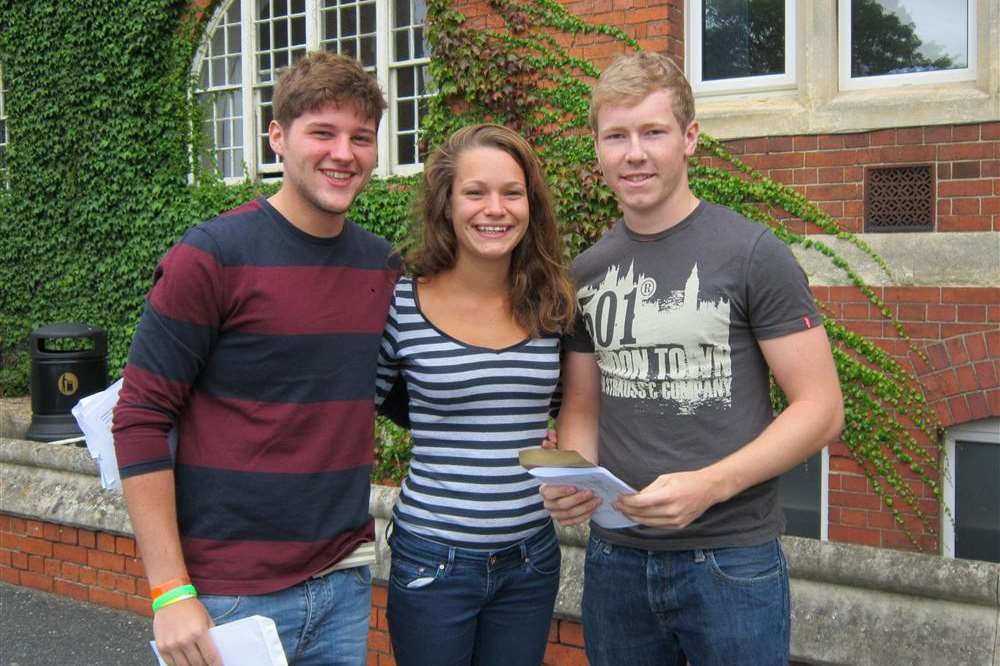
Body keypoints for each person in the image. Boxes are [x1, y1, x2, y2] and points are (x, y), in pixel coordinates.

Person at [540, 52, 844, 666]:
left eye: (653, 132)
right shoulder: (587, 272)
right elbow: (583, 405)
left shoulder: (753, 253)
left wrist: (710, 486)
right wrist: (573, 479)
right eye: (616, 136)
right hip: (616, 560)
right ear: (597, 150)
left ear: (689, 139)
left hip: (730, 561)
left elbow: (822, 409)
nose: (634, 153)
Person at [112, 52, 399, 666]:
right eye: (322, 132)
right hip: (226, 595)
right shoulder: (212, 256)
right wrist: (170, 590)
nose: (343, 153)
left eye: (361, 138)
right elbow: (139, 417)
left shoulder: (381, 267)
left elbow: (405, 390)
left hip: (342, 583)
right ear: (277, 137)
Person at [373, 123, 576, 666]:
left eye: (512, 193)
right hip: (432, 562)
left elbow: (569, 412)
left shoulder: (552, 306)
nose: (496, 208)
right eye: (475, 192)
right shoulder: (400, 305)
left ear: (531, 204)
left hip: (530, 560)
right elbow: (355, 408)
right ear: (446, 203)